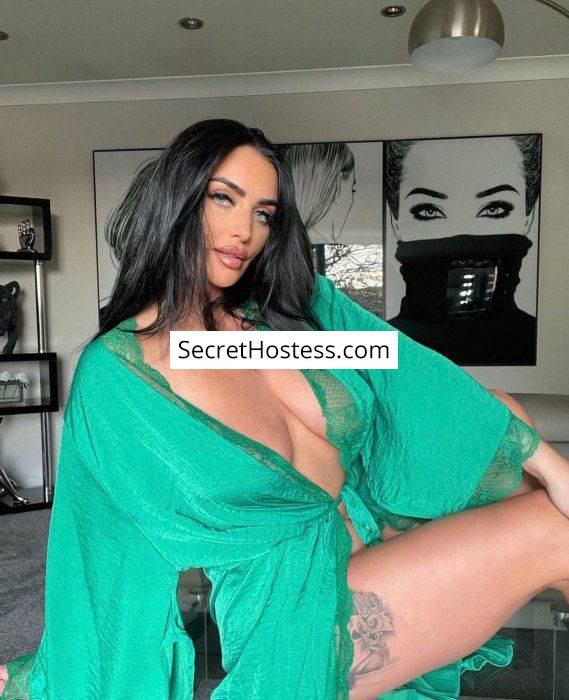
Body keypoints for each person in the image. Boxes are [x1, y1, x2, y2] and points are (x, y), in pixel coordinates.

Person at [1, 119, 568, 700]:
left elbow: (406, 372)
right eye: (224, 199)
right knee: (560, 532)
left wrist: (552, 466)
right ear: (179, 198)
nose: (244, 231)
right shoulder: (123, 376)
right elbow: (99, 547)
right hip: (301, 612)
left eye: (264, 213)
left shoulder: (285, 315)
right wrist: (49, 677)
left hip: (379, 532)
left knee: (511, 425)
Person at [384, 135, 541, 365]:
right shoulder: (378, 349)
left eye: (495, 208)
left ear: (529, 216)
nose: (461, 233)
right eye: (428, 210)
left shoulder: (549, 346)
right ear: (395, 221)